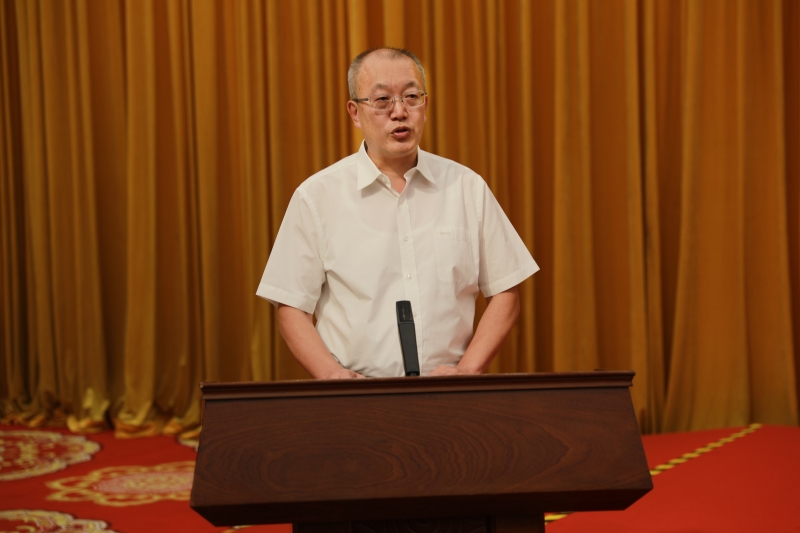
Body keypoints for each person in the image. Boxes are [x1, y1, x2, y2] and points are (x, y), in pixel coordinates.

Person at [257, 48, 538, 379]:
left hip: (448, 392)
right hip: (355, 394)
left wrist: (468, 370)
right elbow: (291, 306)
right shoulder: (317, 197)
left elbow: (505, 291)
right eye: (382, 100)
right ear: (355, 112)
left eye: (411, 97)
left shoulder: (466, 188)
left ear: (425, 106)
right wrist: (331, 375)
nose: (400, 112)